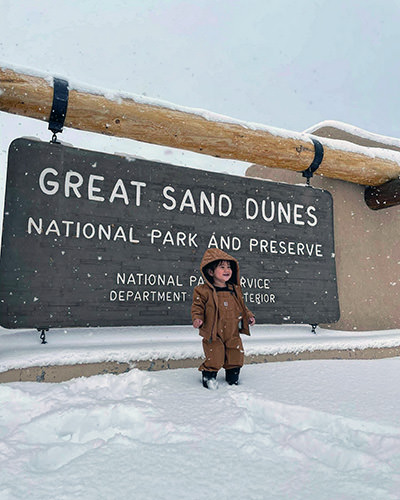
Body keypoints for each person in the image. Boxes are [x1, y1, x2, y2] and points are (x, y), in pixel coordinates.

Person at [191, 248, 255, 389]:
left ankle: (233, 376)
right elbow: (197, 306)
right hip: (213, 331)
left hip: (232, 330)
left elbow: (242, 306)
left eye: (229, 267)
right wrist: (197, 318)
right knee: (215, 355)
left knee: (235, 354)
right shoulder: (203, 290)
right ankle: (209, 376)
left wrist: (249, 316)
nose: (227, 270)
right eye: (222, 267)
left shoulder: (234, 289)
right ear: (211, 272)